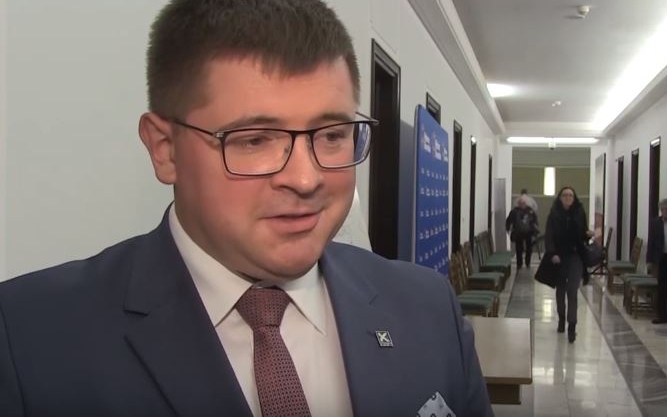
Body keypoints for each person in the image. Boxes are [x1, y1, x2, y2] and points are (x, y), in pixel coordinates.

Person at [0, 1, 493, 416]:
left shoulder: (427, 308)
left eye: (332, 135)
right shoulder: (26, 339)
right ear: (165, 149)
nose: (306, 179)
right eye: (255, 140)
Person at [541, 186, 593, 343]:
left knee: (572, 290)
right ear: (560, 197)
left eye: (571, 195)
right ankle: (561, 318)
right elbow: (549, 236)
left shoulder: (579, 212)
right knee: (560, 290)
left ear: (574, 197)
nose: (568, 197)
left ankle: (572, 325)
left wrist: (587, 234)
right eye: (565, 195)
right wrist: (552, 254)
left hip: (575, 256)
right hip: (559, 257)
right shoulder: (554, 215)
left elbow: (582, 234)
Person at [647, 198, 667, 325]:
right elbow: (651, 242)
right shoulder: (655, 223)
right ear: (661, 210)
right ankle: (662, 316)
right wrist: (649, 260)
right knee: (662, 287)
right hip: (661, 258)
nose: (666, 212)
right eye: (664, 209)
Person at [506, 197, 538, 268]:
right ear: (518, 204)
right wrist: (508, 228)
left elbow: (535, 219)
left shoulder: (530, 210)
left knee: (529, 248)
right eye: (521, 203)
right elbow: (509, 220)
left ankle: (527, 262)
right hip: (518, 232)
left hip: (529, 232)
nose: (522, 204)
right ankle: (519, 263)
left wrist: (535, 227)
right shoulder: (514, 211)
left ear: (526, 203)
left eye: (523, 203)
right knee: (519, 248)